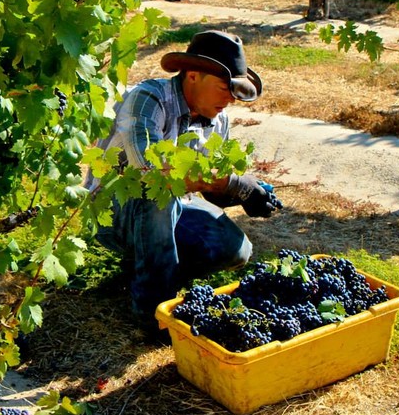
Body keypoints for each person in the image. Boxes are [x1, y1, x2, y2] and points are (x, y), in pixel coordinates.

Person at [86, 30, 281, 334]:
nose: (229, 100)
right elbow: (152, 171)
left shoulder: (218, 120)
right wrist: (236, 184)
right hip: (110, 211)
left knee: (235, 249)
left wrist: (244, 196)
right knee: (157, 195)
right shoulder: (148, 99)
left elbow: (208, 186)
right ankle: (152, 312)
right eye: (223, 89)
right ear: (192, 75)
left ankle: (147, 268)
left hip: (168, 210)